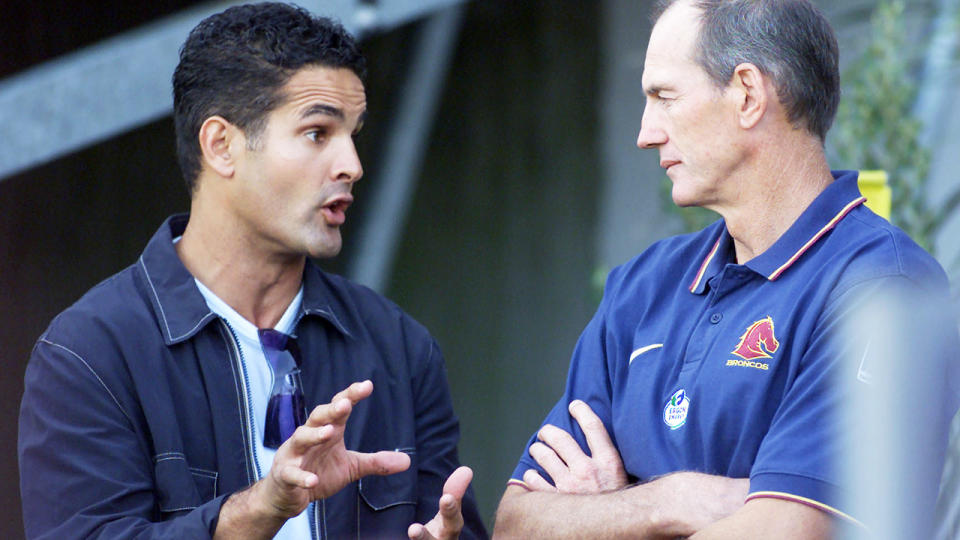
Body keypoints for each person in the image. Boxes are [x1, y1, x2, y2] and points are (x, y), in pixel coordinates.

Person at [18, 4, 487, 539]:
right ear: (221, 145)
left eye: (353, 133)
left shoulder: (400, 347)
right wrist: (258, 510)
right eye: (317, 132)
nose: (351, 164)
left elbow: (452, 525)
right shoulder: (90, 353)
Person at [494, 0, 959, 538]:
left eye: (665, 98)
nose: (645, 133)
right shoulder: (641, 286)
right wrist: (669, 501)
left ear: (747, 94)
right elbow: (515, 522)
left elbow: (784, 531)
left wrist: (604, 515)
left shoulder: (883, 288)